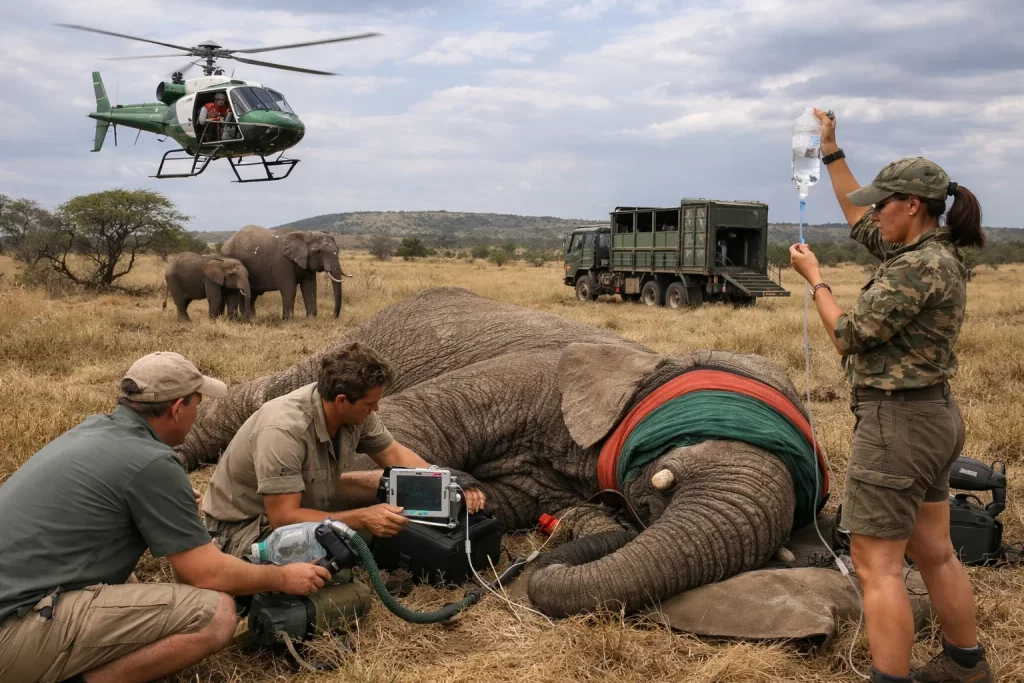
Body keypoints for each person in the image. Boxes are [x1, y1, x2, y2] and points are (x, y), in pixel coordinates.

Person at [789, 109, 991, 683]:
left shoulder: (913, 270)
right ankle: (965, 666)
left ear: (913, 205)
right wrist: (832, 150)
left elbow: (849, 336)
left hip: (897, 426)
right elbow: (857, 216)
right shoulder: (931, 253)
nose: (874, 210)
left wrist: (817, 282)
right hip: (934, 417)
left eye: (885, 202)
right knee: (934, 551)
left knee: (876, 566)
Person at [0, 351, 332, 683]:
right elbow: (203, 574)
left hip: (16, 595)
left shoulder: (95, 429)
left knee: (127, 583)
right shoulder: (152, 462)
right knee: (215, 615)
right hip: (12, 633)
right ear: (176, 409)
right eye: (197, 405)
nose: (198, 413)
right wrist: (282, 578)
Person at [202, 341, 488, 558]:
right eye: (370, 404)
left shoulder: (354, 412)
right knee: (337, 569)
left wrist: (451, 480)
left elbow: (396, 457)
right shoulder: (283, 430)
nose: (376, 408)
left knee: (386, 484)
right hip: (246, 525)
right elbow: (283, 518)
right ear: (342, 401)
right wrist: (363, 517)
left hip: (307, 498)